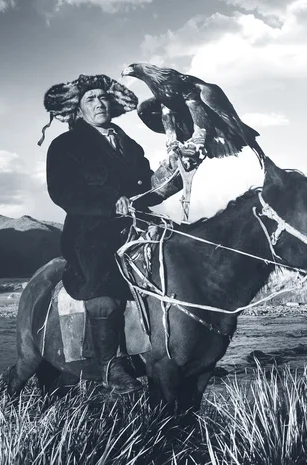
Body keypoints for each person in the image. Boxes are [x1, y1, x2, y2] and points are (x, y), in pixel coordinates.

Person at [40, 74, 181, 394]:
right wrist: (108, 201)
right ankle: (105, 364)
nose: (99, 103)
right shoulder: (65, 145)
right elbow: (61, 191)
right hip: (89, 234)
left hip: (135, 228)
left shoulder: (129, 145)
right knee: (103, 286)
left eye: (103, 97)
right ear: (77, 108)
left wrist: (173, 174)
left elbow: (147, 190)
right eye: (90, 99)